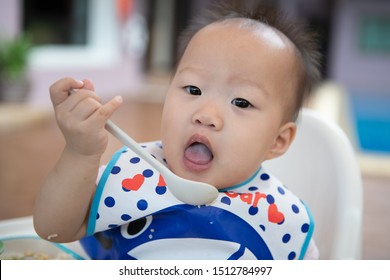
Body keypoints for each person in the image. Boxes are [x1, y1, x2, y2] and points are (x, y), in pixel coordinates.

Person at [33, 1, 321, 259]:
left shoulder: (281, 220)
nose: (206, 115)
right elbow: (53, 230)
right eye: (193, 89)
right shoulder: (133, 174)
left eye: (241, 102)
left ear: (278, 141)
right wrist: (80, 152)